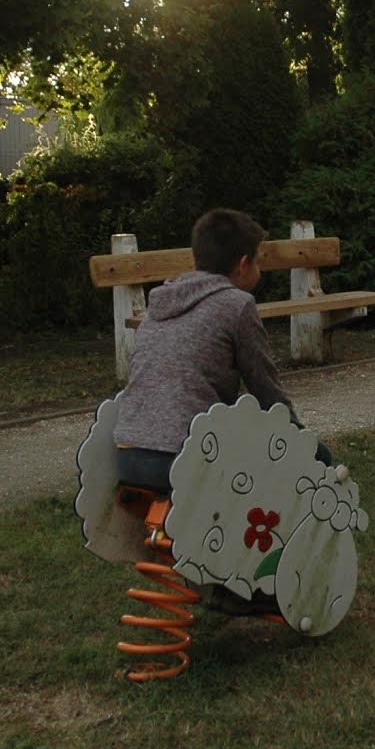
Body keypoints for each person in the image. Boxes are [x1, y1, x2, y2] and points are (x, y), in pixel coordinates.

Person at [112, 209, 326, 613]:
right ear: (242, 264)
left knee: (230, 458)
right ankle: (246, 587)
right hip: (179, 459)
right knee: (262, 473)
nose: (259, 270)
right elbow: (267, 392)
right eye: (259, 261)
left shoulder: (161, 303)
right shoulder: (236, 305)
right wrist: (310, 449)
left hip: (127, 454)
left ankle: (216, 577)